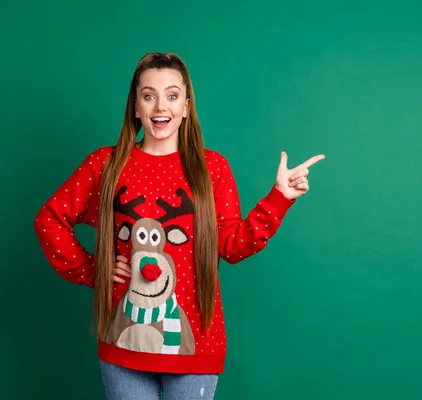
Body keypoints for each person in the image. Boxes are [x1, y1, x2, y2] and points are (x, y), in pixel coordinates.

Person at [33, 52, 324, 400]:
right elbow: (49, 219)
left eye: (172, 95)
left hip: (196, 346)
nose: (161, 106)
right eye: (148, 95)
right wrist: (92, 269)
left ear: (186, 106)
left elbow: (232, 245)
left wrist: (280, 197)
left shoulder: (212, 169)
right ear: (136, 107)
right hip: (125, 342)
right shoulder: (106, 165)